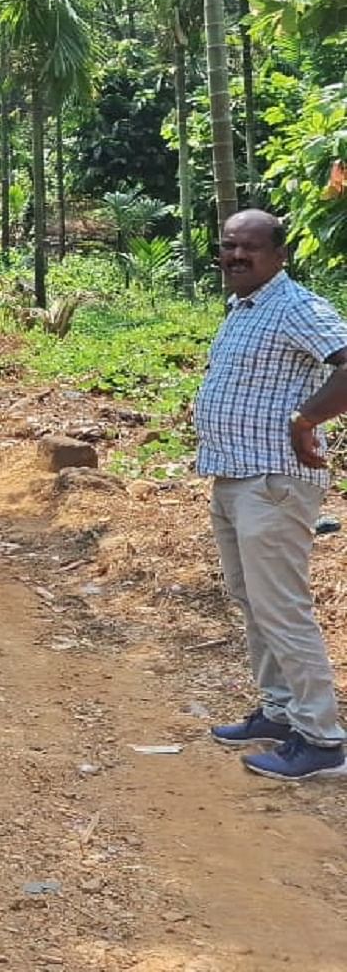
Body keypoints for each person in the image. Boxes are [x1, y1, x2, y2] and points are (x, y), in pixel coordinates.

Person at [195, 209, 347, 781]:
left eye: (250, 247)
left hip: (275, 480)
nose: (236, 256)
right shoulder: (244, 307)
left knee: (282, 609)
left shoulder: (296, 306)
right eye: (228, 246)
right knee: (252, 600)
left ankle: (323, 740)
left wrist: (307, 420)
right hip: (235, 476)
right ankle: (281, 713)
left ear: (279, 254)